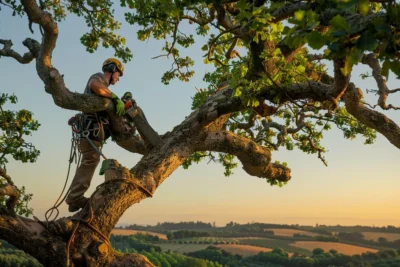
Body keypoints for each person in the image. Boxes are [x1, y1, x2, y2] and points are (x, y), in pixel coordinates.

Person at [66, 58, 126, 212]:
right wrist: (114, 97)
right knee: (90, 160)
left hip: (94, 132)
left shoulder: (105, 89)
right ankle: (75, 197)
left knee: (90, 160)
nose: (118, 79)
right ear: (112, 69)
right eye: (118, 74)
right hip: (90, 130)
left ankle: (74, 198)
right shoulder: (98, 77)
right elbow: (94, 85)